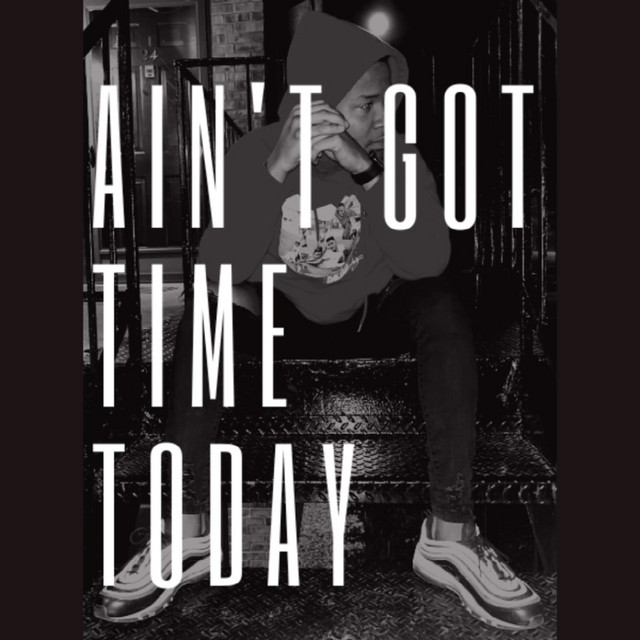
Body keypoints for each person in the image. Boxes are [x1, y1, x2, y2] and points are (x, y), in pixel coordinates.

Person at [94, 11, 544, 630]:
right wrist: (274, 172)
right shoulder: (257, 154)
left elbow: (427, 260)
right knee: (209, 304)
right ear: (321, 107)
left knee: (441, 302)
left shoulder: (394, 158)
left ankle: (450, 533)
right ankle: (185, 531)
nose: (384, 116)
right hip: (283, 316)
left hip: (369, 313)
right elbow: (219, 265)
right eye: (368, 104)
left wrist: (369, 172)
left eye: (389, 100)